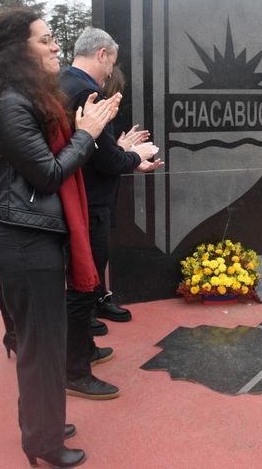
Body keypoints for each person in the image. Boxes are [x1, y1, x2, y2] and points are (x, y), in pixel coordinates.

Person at [0, 8, 117, 467]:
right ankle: (43, 443)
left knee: (41, 345)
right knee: (41, 348)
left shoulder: (19, 96)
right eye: (45, 39)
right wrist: (88, 133)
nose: (56, 47)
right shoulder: (12, 102)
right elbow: (49, 175)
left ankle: (41, 423)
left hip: (28, 238)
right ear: (17, 50)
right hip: (23, 242)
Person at [59, 27, 161, 400]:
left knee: (84, 281)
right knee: (83, 284)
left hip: (83, 198)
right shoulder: (85, 92)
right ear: (102, 55)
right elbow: (101, 157)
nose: (108, 74)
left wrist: (117, 148)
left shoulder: (63, 83)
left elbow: (90, 147)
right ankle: (75, 367)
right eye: (110, 64)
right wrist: (135, 157)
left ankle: (83, 350)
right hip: (88, 202)